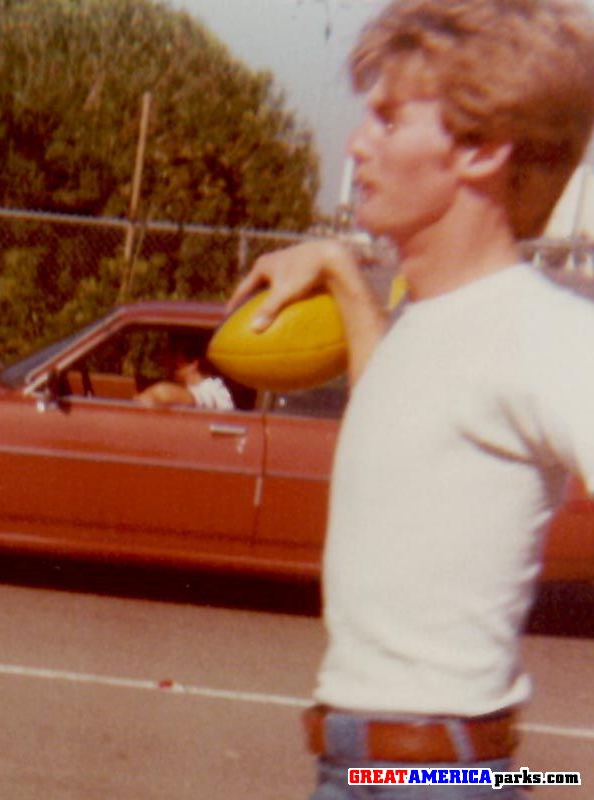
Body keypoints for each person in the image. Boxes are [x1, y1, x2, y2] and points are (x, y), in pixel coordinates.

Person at [227, 1, 594, 797]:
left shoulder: (550, 335)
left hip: (434, 777)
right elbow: (398, 422)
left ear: (483, 149)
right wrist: (335, 267)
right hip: (367, 767)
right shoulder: (429, 325)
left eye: (389, 120)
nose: (357, 141)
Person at [133, 335, 234, 410]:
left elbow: (163, 393)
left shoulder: (214, 389)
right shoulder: (188, 388)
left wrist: (140, 401)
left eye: (174, 357)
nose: (165, 362)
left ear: (193, 363)